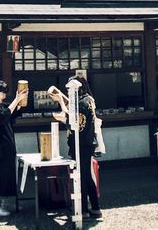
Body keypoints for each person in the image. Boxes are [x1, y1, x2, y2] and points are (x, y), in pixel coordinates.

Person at [51, 76, 102, 220]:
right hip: (87, 143)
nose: (68, 92)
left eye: (70, 89)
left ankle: (84, 210)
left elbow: (72, 122)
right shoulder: (88, 100)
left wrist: (61, 102)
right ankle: (96, 208)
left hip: (81, 144)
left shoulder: (81, 103)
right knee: (87, 176)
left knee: (81, 177)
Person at [0, 80, 28, 216]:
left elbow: (11, 111)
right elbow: (3, 116)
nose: (4, 97)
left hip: (5, 147)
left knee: (6, 174)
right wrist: (16, 99)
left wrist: (21, 98)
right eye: (3, 94)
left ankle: (1, 203)